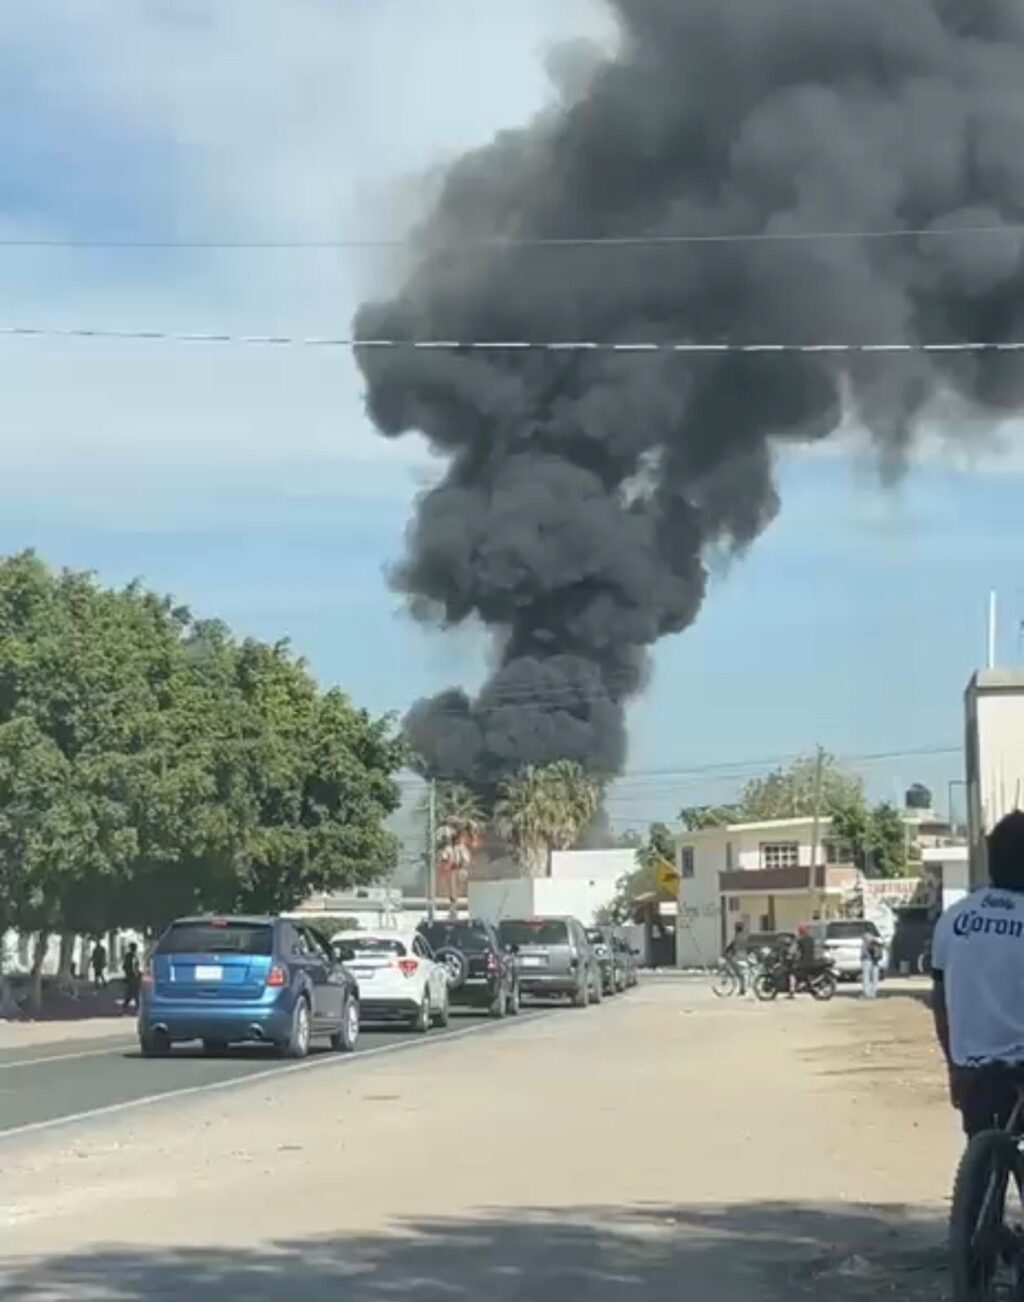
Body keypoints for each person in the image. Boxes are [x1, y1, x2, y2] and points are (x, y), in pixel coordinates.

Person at [932, 810, 1024, 1137]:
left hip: (973, 1074)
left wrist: (954, 1068)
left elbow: (940, 1000)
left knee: (982, 1155)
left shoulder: (954, 918)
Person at [723, 921, 750, 994]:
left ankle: (743, 988)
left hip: (739, 956)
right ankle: (743, 988)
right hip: (744, 955)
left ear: (737, 928)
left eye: (735, 928)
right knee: (742, 973)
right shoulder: (745, 935)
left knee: (739, 973)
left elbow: (733, 945)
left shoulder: (738, 936)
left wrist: (727, 951)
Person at [860, 929, 883, 999]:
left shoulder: (865, 938)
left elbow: (864, 950)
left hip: (866, 959)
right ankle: (873, 993)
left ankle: (867, 994)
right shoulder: (877, 939)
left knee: (866, 977)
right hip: (875, 959)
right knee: (874, 977)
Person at [121, 942, 142, 1014]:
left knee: (130, 991)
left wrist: (127, 974)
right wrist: (137, 973)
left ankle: (126, 1004)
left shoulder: (128, 956)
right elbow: (134, 967)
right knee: (135, 991)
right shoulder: (134, 956)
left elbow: (124, 966)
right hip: (134, 976)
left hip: (130, 975)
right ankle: (137, 1006)